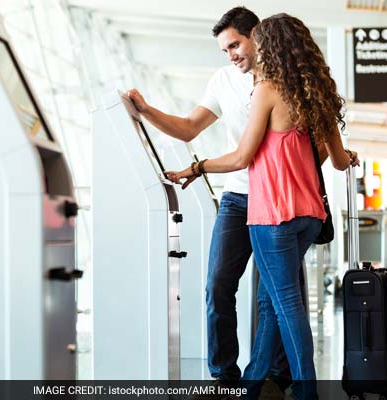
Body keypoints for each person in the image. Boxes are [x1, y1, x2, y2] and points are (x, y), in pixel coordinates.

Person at [165, 13, 360, 400]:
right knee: (271, 303)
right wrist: (349, 154)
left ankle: (307, 391)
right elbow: (337, 161)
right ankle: (253, 382)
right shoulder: (315, 92)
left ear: (266, 44)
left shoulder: (267, 90)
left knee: (286, 307)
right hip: (308, 216)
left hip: (273, 216)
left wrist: (197, 166)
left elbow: (242, 157)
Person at [127, 7, 300, 390]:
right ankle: (225, 377)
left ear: (257, 35)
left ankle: (275, 375)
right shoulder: (224, 80)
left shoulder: (287, 78)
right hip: (238, 198)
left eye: (235, 45)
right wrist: (146, 111)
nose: (231, 55)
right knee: (218, 284)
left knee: (276, 295)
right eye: (225, 50)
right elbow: (188, 128)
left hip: (280, 202)